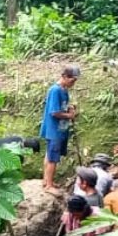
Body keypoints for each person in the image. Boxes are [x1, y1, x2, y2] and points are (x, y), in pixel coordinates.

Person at [40, 65, 80, 194]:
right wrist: (69, 116)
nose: (73, 83)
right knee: (53, 157)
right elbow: (54, 112)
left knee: (49, 154)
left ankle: (47, 180)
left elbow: (62, 107)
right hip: (54, 130)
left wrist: (70, 109)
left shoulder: (64, 90)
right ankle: (49, 185)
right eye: (72, 80)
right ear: (64, 77)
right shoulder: (55, 90)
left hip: (59, 129)